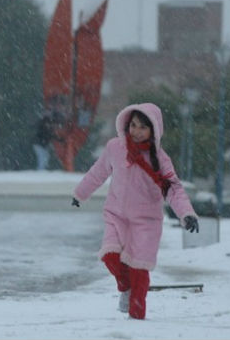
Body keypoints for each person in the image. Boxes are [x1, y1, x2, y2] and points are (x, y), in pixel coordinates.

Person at [71, 103, 199, 320]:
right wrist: (80, 193)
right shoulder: (114, 148)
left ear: (154, 130)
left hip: (146, 222)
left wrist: (186, 213)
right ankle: (125, 287)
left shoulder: (161, 159)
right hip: (116, 215)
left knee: (139, 270)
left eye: (143, 127)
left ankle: (137, 320)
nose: (136, 131)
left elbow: (174, 190)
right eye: (133, 125)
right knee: (110, 256)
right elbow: (98, 172)